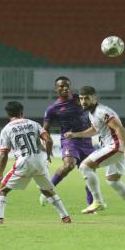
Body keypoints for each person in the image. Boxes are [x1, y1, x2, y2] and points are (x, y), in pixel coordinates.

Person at [65, 86, 125, 215]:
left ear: (94, 98)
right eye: (81, 98)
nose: (83, 101)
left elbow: (119, 129)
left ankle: (98, 201)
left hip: (115, 146)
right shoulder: (92, 113)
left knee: (85, 167)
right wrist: (75, 134)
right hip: (115, 147)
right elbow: (95, 130)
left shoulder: (102, 111)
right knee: (113, 181)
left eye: (86, 98)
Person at [0, 101, 71, 225]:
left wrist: (0, 174)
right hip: (40, 160)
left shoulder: (6, 129)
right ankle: (65, 217)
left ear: (8, 114)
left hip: (24, 161)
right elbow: (48, 140)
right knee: (47, 190)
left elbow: (4, 154)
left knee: (2, 190)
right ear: (22, 112)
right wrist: (48, 155)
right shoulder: (33, 124)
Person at [39, 76, 95, 206]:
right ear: (56, 89)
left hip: (86, 139)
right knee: (68, 165)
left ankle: (91, 205)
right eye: (61, 86)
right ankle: (46, 191)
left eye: (67, 85)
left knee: (90, 173)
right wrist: (46, 147)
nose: (65, 88)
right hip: (69, 140)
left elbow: (93, 107)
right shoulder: (52, 109)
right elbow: (44, 130)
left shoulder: (79, 99)